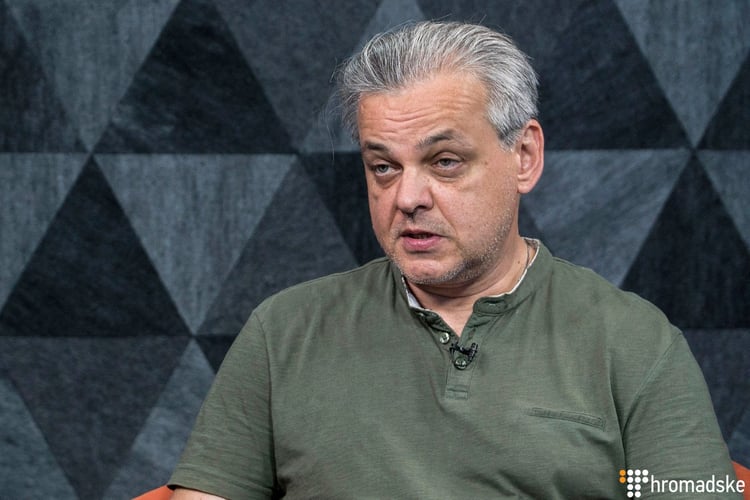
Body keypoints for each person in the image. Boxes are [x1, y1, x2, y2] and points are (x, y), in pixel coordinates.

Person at [169, 21, 739, 499]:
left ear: (524, 156)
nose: (406, 198)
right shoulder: (284, 332)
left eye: (444, 161)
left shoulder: (633, 342)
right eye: (383, 167)